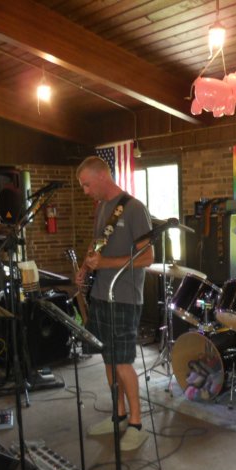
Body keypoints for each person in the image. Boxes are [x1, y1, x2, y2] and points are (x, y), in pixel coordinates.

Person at [75, 156, 154, 451]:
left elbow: (147, 257)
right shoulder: (102, 208)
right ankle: (118, 415)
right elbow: (96, 243)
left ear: (102, 177)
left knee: (122, 361)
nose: (85, 191)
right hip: (101, 294)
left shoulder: (134, 208)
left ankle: (136, 423)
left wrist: (106, 263)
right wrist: (85, 267)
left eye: (87, 185)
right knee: (108, 358)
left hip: (125, 298)